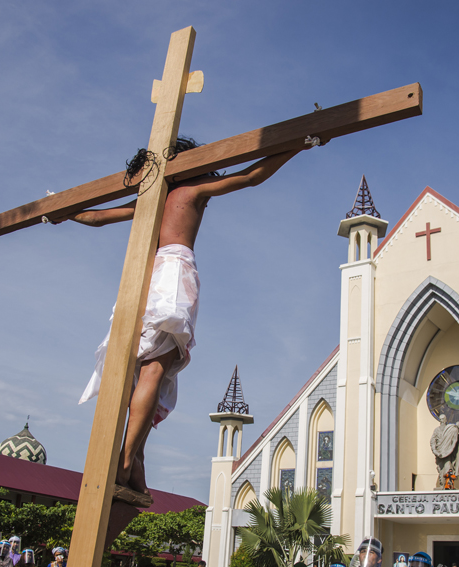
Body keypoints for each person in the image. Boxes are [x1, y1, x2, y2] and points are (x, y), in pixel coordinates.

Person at [64, 138, 306, 507]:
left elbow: (93, 217)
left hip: (141, 277)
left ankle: (136, 461)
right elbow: (252, 175)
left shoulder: (149, 201)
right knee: (154, 371)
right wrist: (298, 146)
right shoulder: (192, 190)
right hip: (173, 274)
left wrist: (58, 210)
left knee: (137, 369)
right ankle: (125, 459)